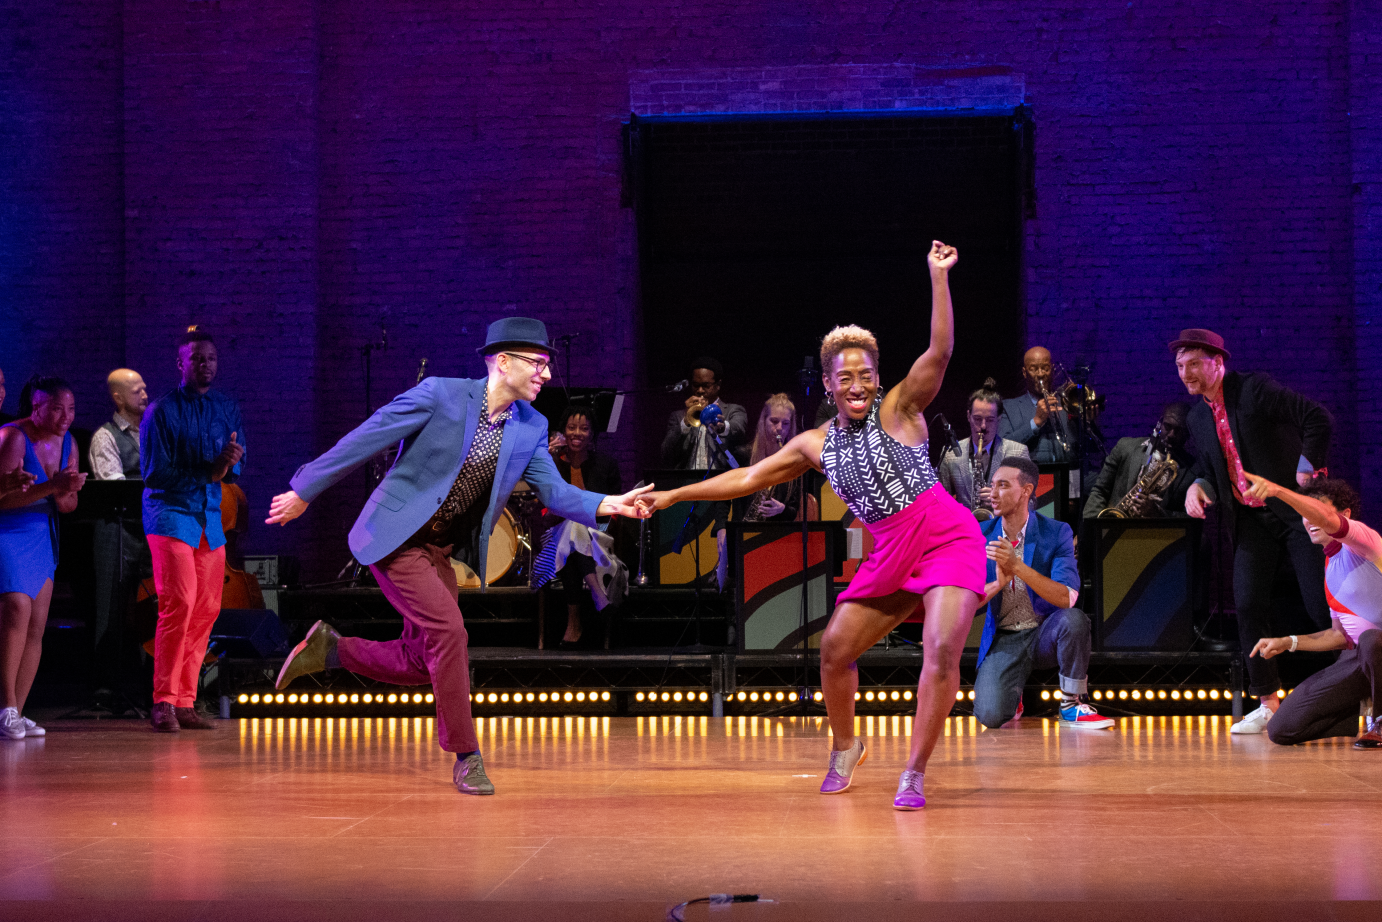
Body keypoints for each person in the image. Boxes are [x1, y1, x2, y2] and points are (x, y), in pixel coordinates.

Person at [639, 241, 981, 810]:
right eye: (844, 376)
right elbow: (745, 480)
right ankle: (846, 749)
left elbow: (940, 351)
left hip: (946, 535)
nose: (856, 384)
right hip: (891, 550)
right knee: (834, 651)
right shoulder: (813, 445)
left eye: (866, 373)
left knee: (942, 648)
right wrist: (674, 493)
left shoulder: (900, 408)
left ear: (878, 376)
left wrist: (938, 276)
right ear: (827, 383)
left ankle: (914, 772)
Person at [267, 318, 651, 796]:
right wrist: (305, 489)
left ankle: (333, 650)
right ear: (502, 361)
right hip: (395, 539)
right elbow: (371, 435)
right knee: (450, 631)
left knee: (421, 658)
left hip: (438, 550)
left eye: (547, 365)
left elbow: (552, 489)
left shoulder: (530, 426)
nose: (546, 375)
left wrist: (607, 503)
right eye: (538, 364)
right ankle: (467, 755)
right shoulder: (441, 395)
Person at [1173, 329, 1333, 735]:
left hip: (1297, 514)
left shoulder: (1253, 390)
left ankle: (1359, 692)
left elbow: (1317, 417)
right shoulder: (1196, 416)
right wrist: (1197, 486)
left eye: (1193, 363)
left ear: (1216, 361)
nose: (1185, 373)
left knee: (1321, 607)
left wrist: (1305, 467)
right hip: (1251, 519)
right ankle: (1267, 702)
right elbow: (1212, 470)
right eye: (1179, 366)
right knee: (1246, 604)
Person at [142, 329, 245, 733]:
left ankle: (185, 700)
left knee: (206, 610)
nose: (206, 365)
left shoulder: (225, 407)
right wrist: (211, 469)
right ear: (181, 364)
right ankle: (163, 700)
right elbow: (154, 474)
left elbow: (236, 462)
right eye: (197, 358)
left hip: (209, 518)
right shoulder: (161, 411)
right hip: (170, 515)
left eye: (211, 359)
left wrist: (229, 463)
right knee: (179, 603)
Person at [1239, 475, 1381, 749]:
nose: (1308, 519)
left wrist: (1278, 490)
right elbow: (1340, 636)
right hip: (1362, 660)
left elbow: (1327, 518)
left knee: (1371, 640)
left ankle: (1381, 720)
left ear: (1345, 514)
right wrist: (1288, 642)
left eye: (1313, 510)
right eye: (1303, 513)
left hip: (1377, 648)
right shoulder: (1330, 571)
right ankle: (1351, 714)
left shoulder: (1364, 541)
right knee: (1281, 729)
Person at [972, 458, 1112, 729]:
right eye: (993, 486)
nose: (994, 493)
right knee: (989, 716)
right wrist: (998, 584)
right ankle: (1013, 695)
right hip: (1005, 638)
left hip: (1045, 633)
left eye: (1003, 485)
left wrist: (1017, 567)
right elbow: (968, 603)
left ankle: (1072, 704)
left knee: (1074, 620)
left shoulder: (1056, 532)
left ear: (1026, 491)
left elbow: (1067, 598)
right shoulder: (980, 535)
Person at [0, 376, 86, 739]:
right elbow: (2, 500)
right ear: (36, 407)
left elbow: (68, 505)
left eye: (70, 409)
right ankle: (5, 707)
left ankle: (17, 712)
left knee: (36, 623)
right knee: (16, 611)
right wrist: (51, 486)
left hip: (42, 536)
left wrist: (66, 492)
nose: (65, 416)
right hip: (9, 532)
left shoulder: (70, 442)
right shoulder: (12, 437)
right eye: (55, 408)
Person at [538, 404, 626, 649]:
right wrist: (547, 459)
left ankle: (573, 623)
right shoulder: (551, 465)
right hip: (555, 535)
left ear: (592, 434)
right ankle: (599, 596)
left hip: (599, 536)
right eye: (571, 427)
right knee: (571, 526)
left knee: (574, 528)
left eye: (584, 429)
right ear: (562, 431)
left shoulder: (606, 465)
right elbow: (545, 514)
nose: (577, 433)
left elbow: (615, 510)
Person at [89, 369, 153, 702]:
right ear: (118, 397)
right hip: (117, 528)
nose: (145, 395)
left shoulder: (151, 431)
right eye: (137, 391)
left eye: (145, 389)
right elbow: (113, 486)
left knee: (151, 606)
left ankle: (150, 685)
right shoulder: (106, 436)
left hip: (149, 529)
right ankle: (107, 686)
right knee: (111, 607)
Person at [660, 357, 749, 589]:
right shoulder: (678, 416)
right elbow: (666, 453)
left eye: (706, 386)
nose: (700, 390)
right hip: (686, 491)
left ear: (717, 386)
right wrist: (685, 423)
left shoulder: (733, 411)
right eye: (696, 385)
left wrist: (720, 425)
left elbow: (738, 428)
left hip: (721, 493)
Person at [936, 378, 1030, 520]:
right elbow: (942, 505)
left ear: (999, 419)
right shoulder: (951, 454)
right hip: (966, 532)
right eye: (978, 419)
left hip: (1003, 533)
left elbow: (1032, 503)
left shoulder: (1017, 453)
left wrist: (1003, 500)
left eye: (990, 420)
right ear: (968, 416)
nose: (984, 426)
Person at [1083, 403, 1195, 519]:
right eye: (1167, 426)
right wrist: (1091, 530)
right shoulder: (1125, 447)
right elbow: (1100, 491)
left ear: (1187, 434)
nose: (1171, 435)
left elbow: (1191, 519)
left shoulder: (1192, 470)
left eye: (1179, 430)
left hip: (1154, 535)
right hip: (1114, 527)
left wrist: (1157, 513)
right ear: (1159, 423)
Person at [735, 394, 818, 523]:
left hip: (779, 533)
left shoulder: (794, 461)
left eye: (785, 423)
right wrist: (721, 529)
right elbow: (731, 501)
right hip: (743, 530)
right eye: (774, 421)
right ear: (764, 421)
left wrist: (782, 509)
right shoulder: (744, 455)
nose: (780, 428)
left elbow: (793, 512)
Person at [997, 346, 1070, 464]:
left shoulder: (1067, 404)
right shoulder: (1009, 407)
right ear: (1024, 373)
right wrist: (1035, 422)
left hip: (1065, 476)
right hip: (1029, 477)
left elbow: (1084, 450)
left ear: (1052, 370)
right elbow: (1001, 447)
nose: (1040, 374)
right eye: (1033, 369)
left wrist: (1088, 422)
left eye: (1045, 368)